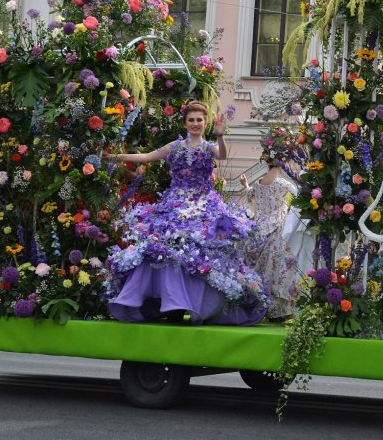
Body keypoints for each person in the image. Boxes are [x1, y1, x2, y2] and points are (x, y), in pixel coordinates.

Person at [105, 101, 268, 325]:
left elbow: (221, 155)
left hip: (204, 205)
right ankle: (172, 303)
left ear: (205, 123)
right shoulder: (175, 146)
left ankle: (200, 304)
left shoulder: (209, 146)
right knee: (167, 249)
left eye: (199, 120)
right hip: (175, 205)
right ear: (185, 123)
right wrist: (115, 158)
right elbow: (146, 157)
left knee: (200, 252)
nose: (195, 124)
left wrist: (220, 135)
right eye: (191, 120)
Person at [239, 150, 300, 319]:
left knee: (259, 270)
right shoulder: (283, 184)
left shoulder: (259, 183)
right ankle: (278, 311)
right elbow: (300, 194)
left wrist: (245, 185)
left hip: (257, 229)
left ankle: (256, 307)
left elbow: (250, 194)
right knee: (278, 269)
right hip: (277, 228)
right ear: (285, 161)